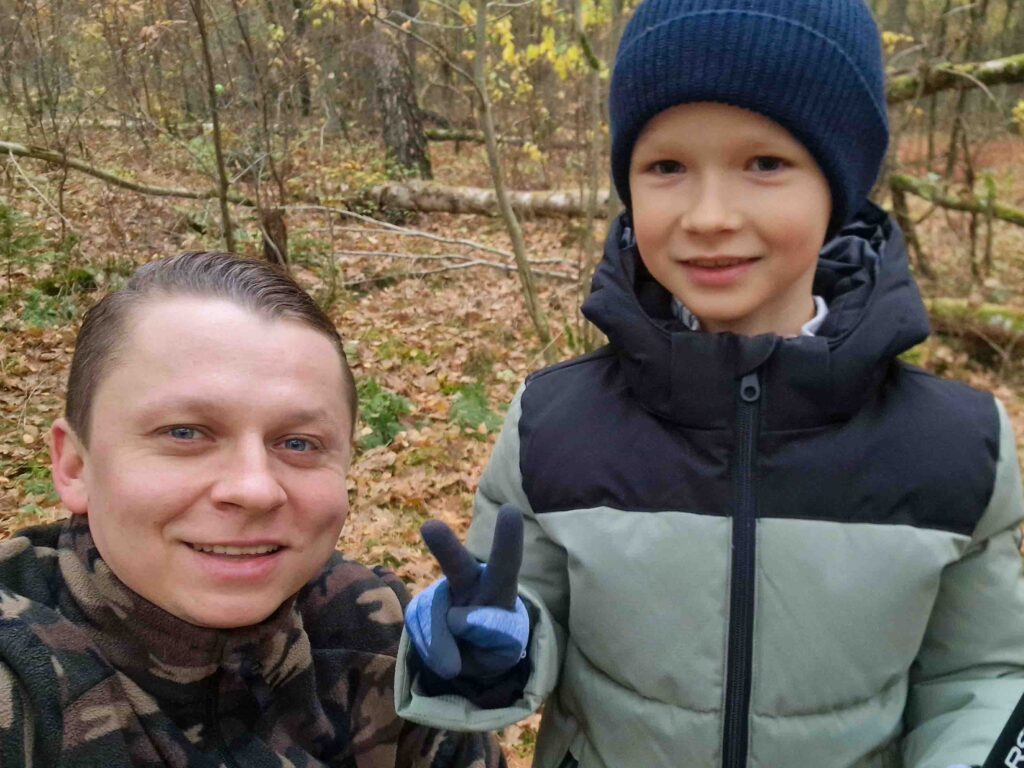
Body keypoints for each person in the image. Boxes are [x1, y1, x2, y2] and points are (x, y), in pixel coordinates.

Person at [394, 1, 1024, 766]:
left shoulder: (955, 447)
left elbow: (980, 675)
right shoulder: (553, 426)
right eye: (667, 167)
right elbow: (522, 613)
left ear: (840, 184)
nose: (710, 215)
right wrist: (486, 654)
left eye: (765, 164)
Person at [0, 251, 506, 768]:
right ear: (75, 466)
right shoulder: (21, 677)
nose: (255, 489)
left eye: (299, 443)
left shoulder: (374, 629)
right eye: (184, 433)